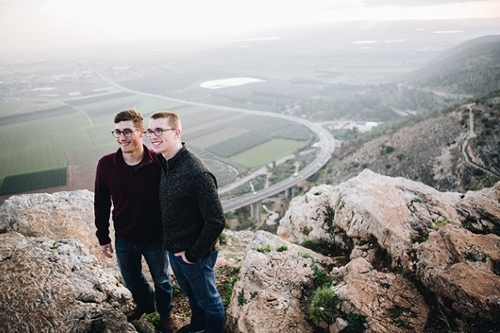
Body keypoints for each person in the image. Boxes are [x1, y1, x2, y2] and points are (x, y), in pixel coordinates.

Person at [94, 109, 176, 333]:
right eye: (118, 132)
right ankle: (145, 304)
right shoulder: (106, 165)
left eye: (127, 131)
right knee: (131, 279)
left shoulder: (159, 162)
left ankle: (166, 313)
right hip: (124, 237)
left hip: (155, 237)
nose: (122, 137)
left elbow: (179, 195)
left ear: (141, 132)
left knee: (161, 279)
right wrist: (103, 237)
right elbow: (101, 202)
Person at [146, 111, 226, 333]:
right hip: (175, 249)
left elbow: (217, 221)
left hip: (194, 254)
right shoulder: (164, 163)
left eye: (160, 130)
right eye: (150, 131)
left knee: (209, 300)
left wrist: (192, 255)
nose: (153, 135)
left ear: (177, 132)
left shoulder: (196, 173)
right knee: (193, 296)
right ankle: (199, 327)